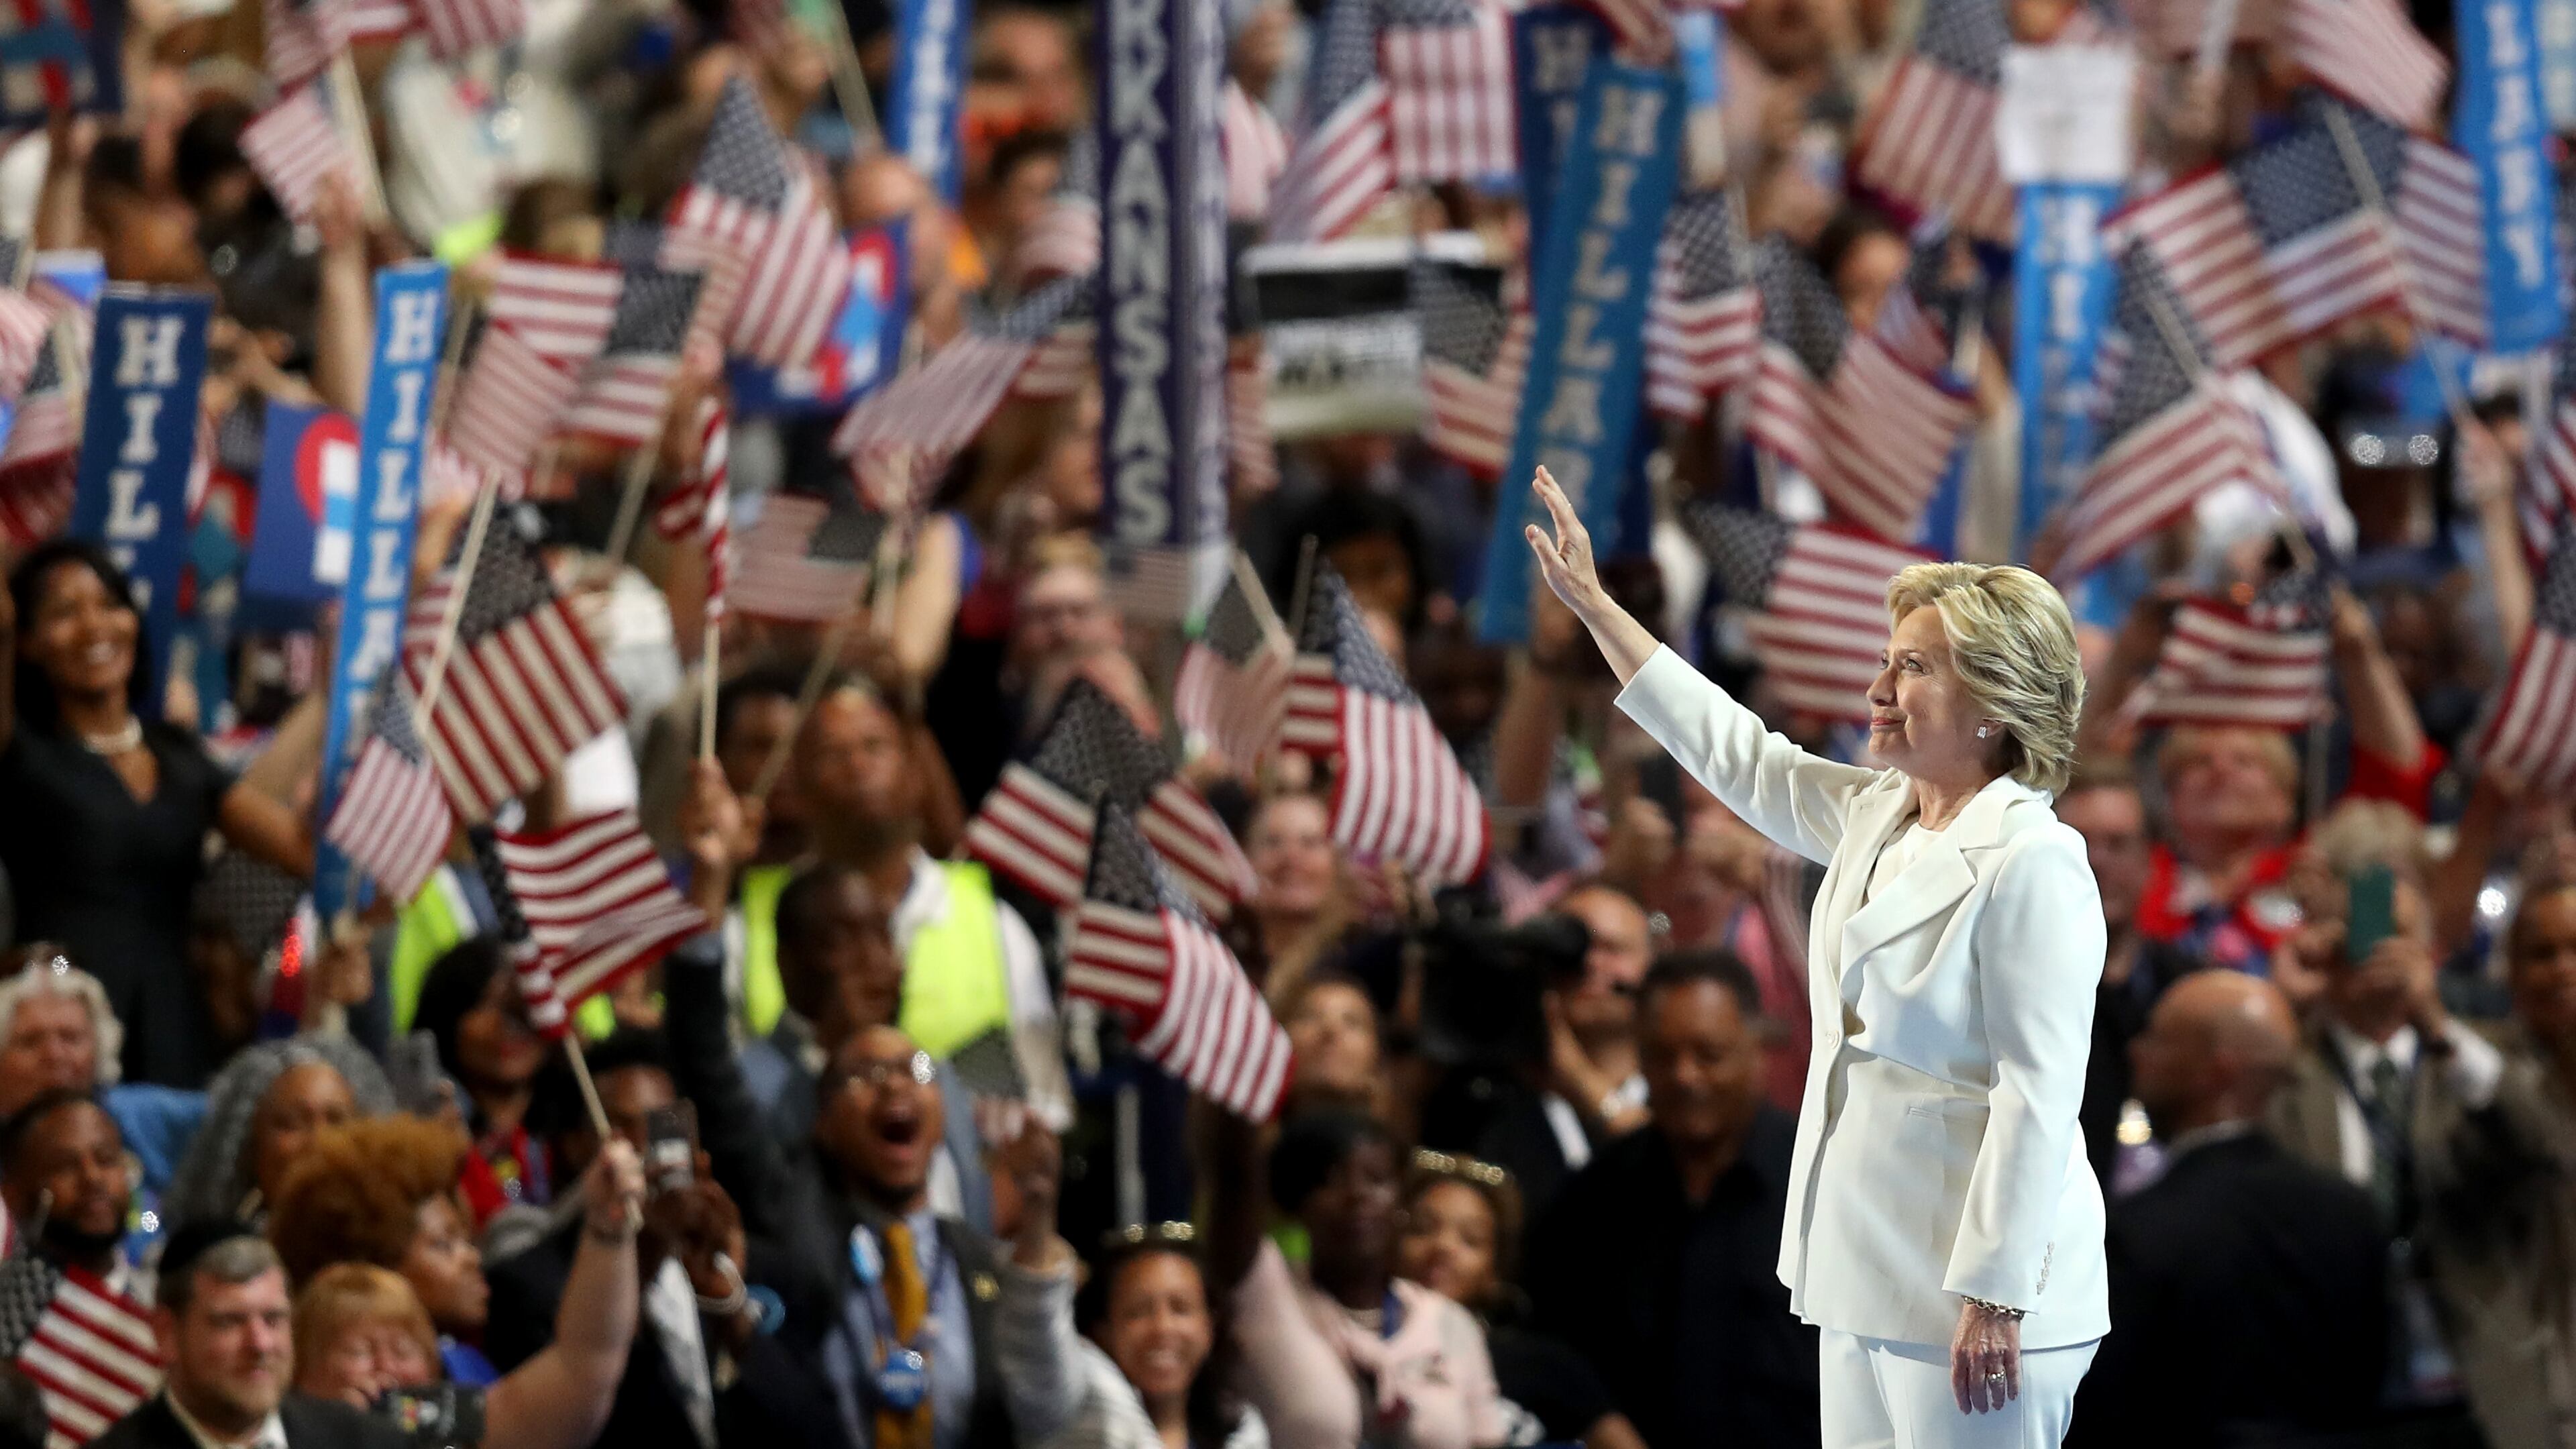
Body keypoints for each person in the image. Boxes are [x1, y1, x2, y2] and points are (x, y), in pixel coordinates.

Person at [1522, 466, 2108, 1445]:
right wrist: (1598, 610)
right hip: (1863, 1265)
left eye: (1915, 668)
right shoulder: (1879, 811)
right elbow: (1738, 754)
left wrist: (1998, 1295)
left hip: (1980, 1293)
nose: (1879, 688)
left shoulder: (2034, 858)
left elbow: (2037, 1092)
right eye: (1890, 660)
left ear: (1995, 704)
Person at [2269, 856, 2575, 1446]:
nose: (2378, 950)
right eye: (2360, 931)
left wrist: (2434, 1020)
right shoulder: (2288, 1070)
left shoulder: (2485, 1055)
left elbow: (2542, 1143)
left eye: (2398, 934)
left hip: (2482, 1383)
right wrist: (2286, 1005)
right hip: (2338, 1384)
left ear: (2431, 950)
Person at [0, 541, 318, 1087]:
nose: (93, 626)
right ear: (28, 643)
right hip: (59, 998)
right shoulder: (21, 753)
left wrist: (336, 696)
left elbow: (303, 853)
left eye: (109, 603)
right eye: (63, 612)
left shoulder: (179, 756)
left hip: (175, 1009)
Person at [482, 1032, 849, 1449]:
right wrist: (643, 1258)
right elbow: (588, 1427)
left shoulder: (761, 1269)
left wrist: (727, 1311)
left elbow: (822, 1434)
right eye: (621, 1128)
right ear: (573, 1144)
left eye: (662, 1127)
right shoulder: (531, 1286)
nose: (647, 1150)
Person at [2070, 974, 2390, 1448]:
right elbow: (2370, 1383)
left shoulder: (2137, 1233)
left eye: (2157, 1037)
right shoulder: (2352, 1212)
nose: (2137, 1051)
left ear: (2214, 1071)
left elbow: (2105, 1412)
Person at [1523, 953, 1817, 1447]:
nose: (1685, 1076)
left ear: (1756, 1047)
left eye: (1709, 1054)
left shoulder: (1821, 1187)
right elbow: (1552, 1347)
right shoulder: (1592, 1198)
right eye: (1662, 1055)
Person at [788, 677, 1071, 1126]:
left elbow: (1042, 1110)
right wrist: (833, 1045)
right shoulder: (756, 924)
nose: (858, 765)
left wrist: (929, 1082)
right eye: (834, 754)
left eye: (875, 746)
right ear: (797, 791)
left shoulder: (993, 925)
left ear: (916, 774)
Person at [290, 1140, 647, 1449]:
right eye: (360, 1351)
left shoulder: (422, 1417)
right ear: (297, 1370)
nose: (387, 1369)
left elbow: (582, 1367)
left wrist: (607, 1232)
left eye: (404, 1350)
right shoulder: (268, 1428)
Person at [1206, 1108, 1507, 1449]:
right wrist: (1239, 1103)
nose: (1357, 1195)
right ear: (1296, 1202)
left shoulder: (1452, 1325)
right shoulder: (1271, 1295)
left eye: (1377, 1179)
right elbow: (1234, 1180)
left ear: (1402, 1201)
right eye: (1331, 1180)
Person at [991, 1129, 1267, 1449]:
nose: (1163, 1328)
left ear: (1210, 1325)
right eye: (1138, 1312)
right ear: (1103, 1330)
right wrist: (1038, 1220)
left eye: (1180, 1309)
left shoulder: (1242, 1430)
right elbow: (1035, 1333)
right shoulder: (1077, 1398)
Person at [1396, 1152, 1644, 1449]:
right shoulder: (1356, 1347)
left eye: (1470, 1239)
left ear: (1495, 1273)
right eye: (1422, 1229)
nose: (1443, 1246)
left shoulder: (1546, 1364)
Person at [94, 1225, 407, 1449]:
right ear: (167, 1333)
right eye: (229, 1322)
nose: (260, 1344)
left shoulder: (365, 1440)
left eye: (273, 1319)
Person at [264, 1115, 502, 1387]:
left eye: (467, 1241)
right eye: (443, 1245)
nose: (472, 1258)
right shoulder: (331, 1390)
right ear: (370, 1268)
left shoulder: (470, 1364)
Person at [2053, 762, 2196, 1191]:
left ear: (2151, 861)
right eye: (2077, 843)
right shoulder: (1998, 989)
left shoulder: (2191, 992)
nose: (2097, 862)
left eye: (2118, 844)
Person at [0, 953, 205, 1194]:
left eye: (70, 1037)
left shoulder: (143, 1116)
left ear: (100, 1048)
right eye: (31, 1041)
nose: (54, 1055)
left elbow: (238, 1112)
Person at [161, 1036, 392, 1229]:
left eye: (338, 1122)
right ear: (248, 1146)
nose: (319, 1140)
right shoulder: (202, 1263)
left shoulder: (396, 1261)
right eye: (291, 1123)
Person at [411, 940, 557, 1226]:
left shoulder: (578, 1132)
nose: (509, 1026)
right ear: (446, 1018)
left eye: (520, 1008)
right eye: (486, 1005)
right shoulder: (426, 1136)